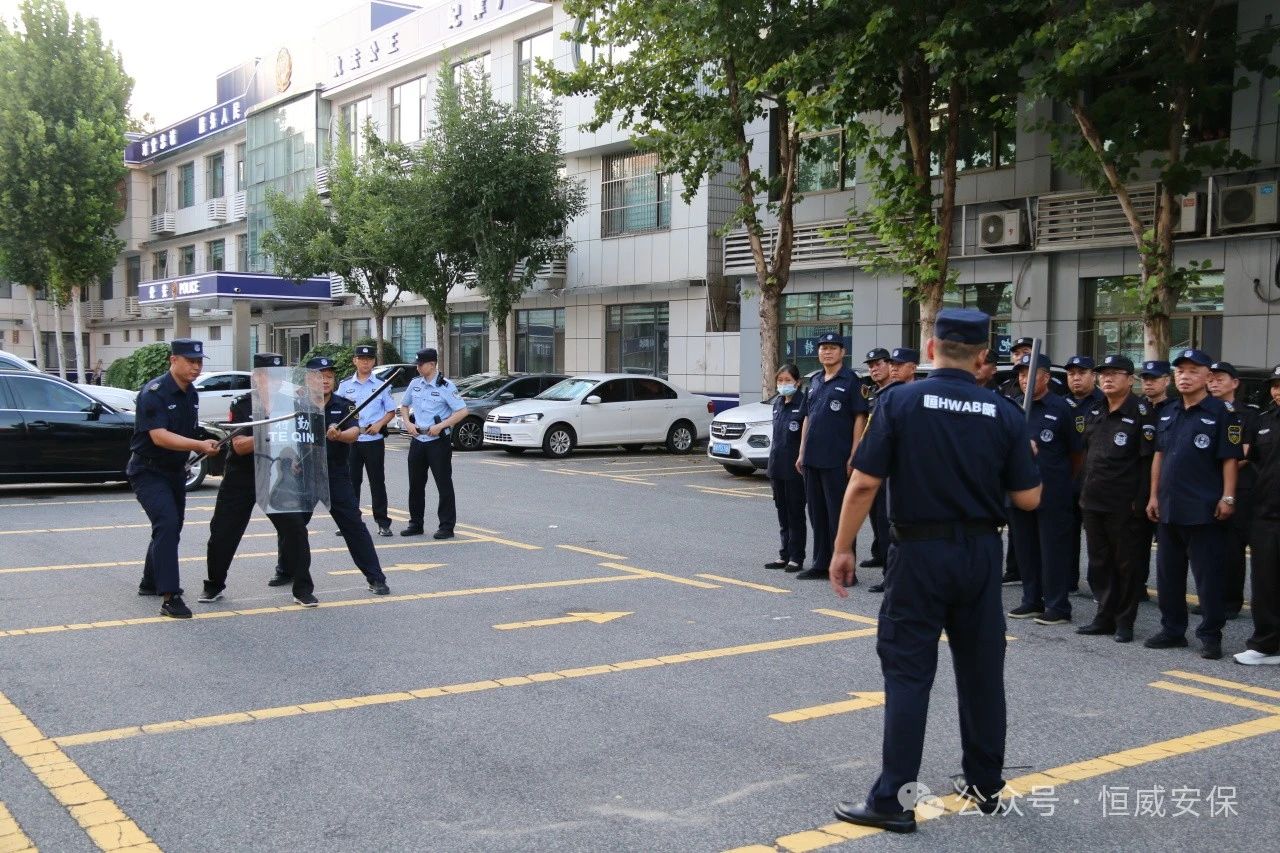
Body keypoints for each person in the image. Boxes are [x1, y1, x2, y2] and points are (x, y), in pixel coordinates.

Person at [827, 308, 1041, 833]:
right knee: (982, 671)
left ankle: (893, 800)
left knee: (908, 673)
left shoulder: (899, 401)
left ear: (930, 349)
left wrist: (842, 547)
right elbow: (1029, 499)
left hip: (919, 553)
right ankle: (985, 784)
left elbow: (864, 483)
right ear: (983, 356)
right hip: (981, 554)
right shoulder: (1004, 412)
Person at [1144, 349, 1242, 660]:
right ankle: (1173, 630)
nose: (1185, 377)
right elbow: (1159, 456)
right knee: (1168, 575)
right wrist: (1153, 495)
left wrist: (1228, 497)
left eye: (1192, 371)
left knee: (1208, 577)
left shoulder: (1222, 413)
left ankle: (1211, 635)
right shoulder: (1169, 411)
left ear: (1207, 377)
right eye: (1180, 371)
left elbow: (1230, 458)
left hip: (1203, 508)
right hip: (1169, 507)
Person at [199, 353, 317, 607]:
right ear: (257, 377)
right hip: (242, 474)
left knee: (295, 528)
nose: (274, 382)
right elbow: (240, 446)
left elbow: (299, 440)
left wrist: (296, 457)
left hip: (276, 472)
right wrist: (271, 432)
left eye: (278, 377)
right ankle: (214, 585)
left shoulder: (291, 404)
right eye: (269, 376)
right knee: (223, 531)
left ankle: (302, 588)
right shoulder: (242, 404)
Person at [128, 339, 220, 618]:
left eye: (199, 362)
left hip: (175, 471)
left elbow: (187, 430)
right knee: (167, 524)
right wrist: (198, 445)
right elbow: (159, 436)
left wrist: (210, 438)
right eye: (190, 361)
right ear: (173, 360)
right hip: (148, 470)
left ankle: (149, 581)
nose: (196, 367)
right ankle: (170, 597)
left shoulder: (191, 393)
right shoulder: (153, 393)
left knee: (170, 526)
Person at [1075, 355, 1156, 642]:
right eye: (1103, 374)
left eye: (1115, 373)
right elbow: (1087, 454)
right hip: (1093, 499)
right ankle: (1104, 616)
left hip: (1124, 503)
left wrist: (1142, 500)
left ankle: (1125, 621)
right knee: (1099, 562)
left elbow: (1147, 462)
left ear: (1130, 380)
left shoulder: (1142, 413)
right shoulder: (1096, 410)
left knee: (1126, 565)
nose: (1107, 378)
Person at [297, 356, 392, 594]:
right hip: (305, 474)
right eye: (320, 376)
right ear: (308, 379)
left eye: (329, 376)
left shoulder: (345, 405)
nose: (325, 381)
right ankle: (285, 569)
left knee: (354, 526)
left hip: (335, 474)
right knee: (293, 526)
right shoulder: (296, 405)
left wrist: (338, 435)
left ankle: (376, 578)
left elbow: (354, 432)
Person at [1006, 352, 1083, 626]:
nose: (1024, 379)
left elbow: (1076, 454)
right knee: (1025, 548)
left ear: (1046, 377)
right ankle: (1031, 599)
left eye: (1030, 374)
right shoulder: (1014, 407)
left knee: (1053, 550)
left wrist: (1062, 481)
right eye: (1020, 374)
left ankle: (1057, 605)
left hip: (1052, 491)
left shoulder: (1061, 407)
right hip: (1020, 490)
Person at [796, 331, 868, 581]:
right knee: (817, 514)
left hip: (837, 458)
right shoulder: (815, 380)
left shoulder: (851, 381)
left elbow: (860, 417)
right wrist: (801, 451)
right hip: (812, 457)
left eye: (832, 348)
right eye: (823, 348)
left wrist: (854, 453)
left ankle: (847, 570)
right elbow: (807, 417)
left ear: (842, 352)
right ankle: (821, 563)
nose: (827, 352)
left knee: (840, 515)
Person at [1235, 365, 1280, 665]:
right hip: (1266, 515)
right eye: (1275, 386)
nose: (1277, 391)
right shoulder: (1264, 421)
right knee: (1265, 584)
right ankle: (1266, 644)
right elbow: (1249, 461)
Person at [865, 347, 919, 594]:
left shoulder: (921, 396)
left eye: (899, 365)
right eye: (893, 365)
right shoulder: (885, 395)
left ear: (913, 368)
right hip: (886, 470)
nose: (894, 369)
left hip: (912, 472)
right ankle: (890, 575)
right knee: (886, 523)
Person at [399, 348, 469, 539]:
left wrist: (441, 426)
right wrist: (408, 423)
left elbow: (462, 411)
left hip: (438, 441)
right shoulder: (415, 384)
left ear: (432, 364)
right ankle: (415, 524)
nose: (418, 367)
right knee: (415, 484)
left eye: (421, 364)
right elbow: (404, 406)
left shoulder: (446, 386)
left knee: (443, 484)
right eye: (417, 364)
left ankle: (446, 526)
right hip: (418, 439)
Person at [1208, 361, 1255, 621]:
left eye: (1220, 379)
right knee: (1209, 546)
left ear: (1235, 383)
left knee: (1232, 547)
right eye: (1211, 379)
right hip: (1206, 486)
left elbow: (1244, 454)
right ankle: (1211, 597)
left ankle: (1230, 601)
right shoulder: (1204, 411)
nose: (1213, 383)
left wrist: (1213, 468)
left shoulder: (1247, 415)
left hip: (1237, 488)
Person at [338, 345, 398, 538]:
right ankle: (350, 522)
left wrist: (380, 424)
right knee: (351, 482)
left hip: (373, 439)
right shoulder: (345, 385)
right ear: (354, 361)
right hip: (351, 440)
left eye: (369, 359)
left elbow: (391, 411)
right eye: (361, 359)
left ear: (374, 361)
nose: (365, 362)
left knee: (377, 482)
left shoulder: (381, 385)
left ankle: (383, 523)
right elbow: (337, 410)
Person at [1064, 355, 1104, 594]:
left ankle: (1098, 586)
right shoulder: (1060, 404)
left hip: (1094, 481)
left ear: (1093, 376)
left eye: (1081, 373)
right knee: (1066, 535)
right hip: (1068, 480)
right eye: (1071, 374)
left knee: (1096, 539)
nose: (1076, 378)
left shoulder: (1104, 402)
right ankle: (1068, 581)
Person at [765, 364, 806, 572]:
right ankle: (785, 553)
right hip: (777, 467)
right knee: (782, 513)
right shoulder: (778, 404)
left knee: (795, 513)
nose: (783, 384)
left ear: (797, 383)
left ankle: (796, 556)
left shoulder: (804, 404)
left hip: (794, 469)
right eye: (780, 381)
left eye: (787, 380)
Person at [861, 347, 893, 571]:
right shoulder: (872, 393)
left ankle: (890, 566)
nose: (874, 369)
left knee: (886, 515)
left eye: (878, 364)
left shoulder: (897, 392)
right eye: (871, 366)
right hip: (872, 462)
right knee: (874, 512)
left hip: (890, 465)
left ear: (890, 365)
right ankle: (879, 553)